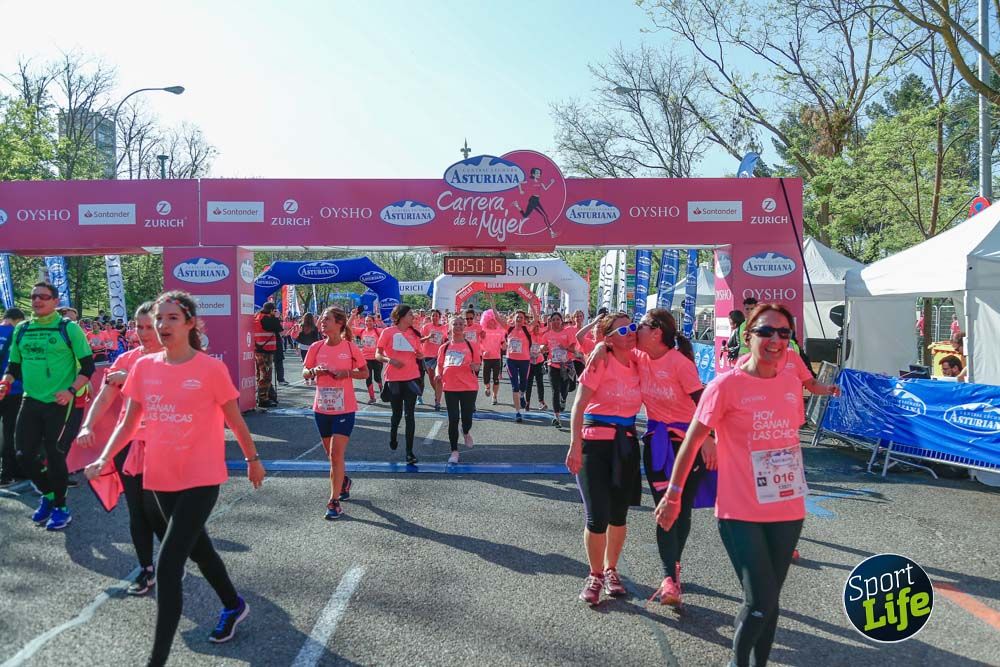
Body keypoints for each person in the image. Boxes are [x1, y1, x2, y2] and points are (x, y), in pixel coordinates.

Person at [83, 291, 265, 666]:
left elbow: (234, 418)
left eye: (171, 319)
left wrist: (253, 458)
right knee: (200, 550)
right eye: (158, 319)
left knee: (168, 567)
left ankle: (157, 661)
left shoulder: (210, 369)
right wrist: (103, 458)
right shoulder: (144, 367)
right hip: (160, 478)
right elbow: (129, 423)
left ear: (191, 324)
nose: (163, 326)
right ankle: (234, 604)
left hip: (202, 478)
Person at [655, 304, 807, 667]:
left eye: (784, 333)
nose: (776, 340)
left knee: (769, 602)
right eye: (767, 332)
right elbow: (692, 442)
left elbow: (788, 438)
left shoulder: (790, 383)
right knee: (759, 601)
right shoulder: (725, 386)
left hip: (787, 508)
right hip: (740, 510)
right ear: (748, 335)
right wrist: (673, 496)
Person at [76, 302, 164, 595]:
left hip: (167, 445)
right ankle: (146, 569)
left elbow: (173, 394)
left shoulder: (175, 360)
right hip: (130, 444)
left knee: (162, 511)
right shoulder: (126, 358)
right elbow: (104, 397)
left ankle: (172, 561)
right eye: (139, 327)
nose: (143, 333)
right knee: (137, 511)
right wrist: (88, 425)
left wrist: (131, 380)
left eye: (149, 326)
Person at [0, 283, 94, 530]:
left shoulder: (68, 328)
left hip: (62, 403)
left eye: (43, 297)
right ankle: (49, 494)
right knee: (23, 455)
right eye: (33, 297)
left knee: (55, 455)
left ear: (55, 300)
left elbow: (88, 367)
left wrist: (70, 390)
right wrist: (6, 382)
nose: (37, 301)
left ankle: (62, 508)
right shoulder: (22, 329)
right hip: (31, 400)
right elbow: (14, 367)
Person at [565, 313, 643, 606]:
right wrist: (574, 445)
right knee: (597, 516)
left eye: (632, 326)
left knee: (618, 516)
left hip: (625, 445)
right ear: (608, 337)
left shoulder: (639, 362)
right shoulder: (601, 360)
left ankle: (612, 571)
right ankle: (595, 574)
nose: (631, 332)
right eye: (623, 329)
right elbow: (579, 405)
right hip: (593, 446)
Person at [303, 307, 367, 520]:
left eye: (327, 319)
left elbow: (365, 371)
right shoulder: (315, 347)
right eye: (322, 319)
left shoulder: (349, 348)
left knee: (336, 454)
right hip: (321, 408)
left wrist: (347, 373)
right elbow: (305, 370)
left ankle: (334, 502)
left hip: (345, 408)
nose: (322, 322)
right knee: (331, 457)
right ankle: (344, 481)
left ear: (339, 323)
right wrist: (313, 372)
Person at [376, 305, 424, 465]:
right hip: (393, 378)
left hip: (411, 377)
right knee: (396, 414)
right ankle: (393, 435)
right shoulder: (388, 332)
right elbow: (378, 354)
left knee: (409, 415)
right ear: (401, 316)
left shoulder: (414, 333)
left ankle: (409, 452)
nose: (414, 317)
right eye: (411, 314)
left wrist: (420, 354)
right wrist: (390, 360)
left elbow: (419, 353)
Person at [437, 315, 482, 463]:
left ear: (464, 327)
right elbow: (439, 365)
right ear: (449, 327)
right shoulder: (444, 347)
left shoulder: (472, 345)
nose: (458, 326)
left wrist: (475, 366)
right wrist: (438, 374)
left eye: (460, 324)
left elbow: (477, 364)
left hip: (469, 386)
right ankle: (454, 451)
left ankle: (466, 431)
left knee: (467, 418)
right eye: (454, 324)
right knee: (453, 419)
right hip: (450, 386)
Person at [0, 308, 27, 486]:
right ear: (17, 320)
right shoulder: (19, 334)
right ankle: (7, 473)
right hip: (13, 389)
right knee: (10, 431)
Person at [540, 312, 577, 428]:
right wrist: (542, 348)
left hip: (566, 365)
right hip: (553, 365)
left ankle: (563, 399)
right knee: (555, 390)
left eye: (557, 319)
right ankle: (557, 417)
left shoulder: (567, 333)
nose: (555, 322)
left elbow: (573, 349)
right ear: (550, 322)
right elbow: (542, 347)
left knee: (564, 388)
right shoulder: (547, 335)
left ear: (561, 321)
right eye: (553, 320)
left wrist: (564, 347)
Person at [252, 302, 283, 408]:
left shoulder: (257, 317)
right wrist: (277, 317)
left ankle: (267, 395)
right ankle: (263, 399)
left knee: (260, 375)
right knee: (265, 376)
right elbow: (278, 328)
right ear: (271, 310)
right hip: (266, 350)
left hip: (258, 348)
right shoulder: (267, 319)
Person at [504, 311, 532, 423]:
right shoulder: (509, 328)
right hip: (511, 360)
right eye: (517, 317)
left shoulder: (527, 329)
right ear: (514, 318)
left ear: (524, 319)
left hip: (525, 360)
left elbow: (535, 319)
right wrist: (493, 304)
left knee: (523, 384)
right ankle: (518, 412)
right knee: (515, 386)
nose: (519, 319)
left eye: (521, 317)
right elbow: (497, 318)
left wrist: (532, 306)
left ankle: (522, 395)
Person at [419, 309, 449, 411]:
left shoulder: (444, 328)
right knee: (431, 378)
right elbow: (420, 340)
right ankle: (438, 394)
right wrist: (428, 337)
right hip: (427, 355)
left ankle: (437, 401)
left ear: (439, 317)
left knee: (438, 378)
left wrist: (444, 342)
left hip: (439, 355)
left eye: (436, 316)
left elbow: (446, 340)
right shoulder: (426, 327)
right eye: (433, 316)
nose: (434, 317)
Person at [356, 315, 384, 404]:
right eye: (366, 321)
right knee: (368, 378)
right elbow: (348, 327)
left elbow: (388, 331)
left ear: (374, 322)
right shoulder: (362, 331)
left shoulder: (378, 331)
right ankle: (372, 397)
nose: (368, 323)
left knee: (377, 378)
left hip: (376, 358)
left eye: (370, 321)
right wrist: (353, 316)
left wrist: (381, 321)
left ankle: (383, 392)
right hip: (365, 359)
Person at [480, 310, 506, 406]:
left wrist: (504, 346)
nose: (492, 322)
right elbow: (478, 344)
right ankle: (487, 387)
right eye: (489, 320)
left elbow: (503, 343)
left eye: (493, 320)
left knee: (496, 378)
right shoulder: (483, 332)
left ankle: (494, 396)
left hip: (496, 358)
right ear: (485, 321)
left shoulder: (500, 331)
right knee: (486, 378)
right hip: (486, 358)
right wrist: (483, 351)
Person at [524, 316, 548, 412]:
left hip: (539, 361)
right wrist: (530, 354)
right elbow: (525, 347)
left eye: (538, 327)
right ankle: (527, 402)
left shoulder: (542, 336)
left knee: (540, 382)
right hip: (530, 361)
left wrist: (542, 351)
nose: (537, 328)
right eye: (535, 327)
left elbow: (546, 348)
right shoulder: (529, 336)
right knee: (528, 383)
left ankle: (541, 402)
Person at [296, 313, 321, 385]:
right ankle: (313, 379)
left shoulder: (301, 326)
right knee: (313, 363)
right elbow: (316, 338)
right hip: (312, 347)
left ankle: (306, 380)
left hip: (303, 346)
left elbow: (298, 337)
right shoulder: (314, 328)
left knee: (305, 363)